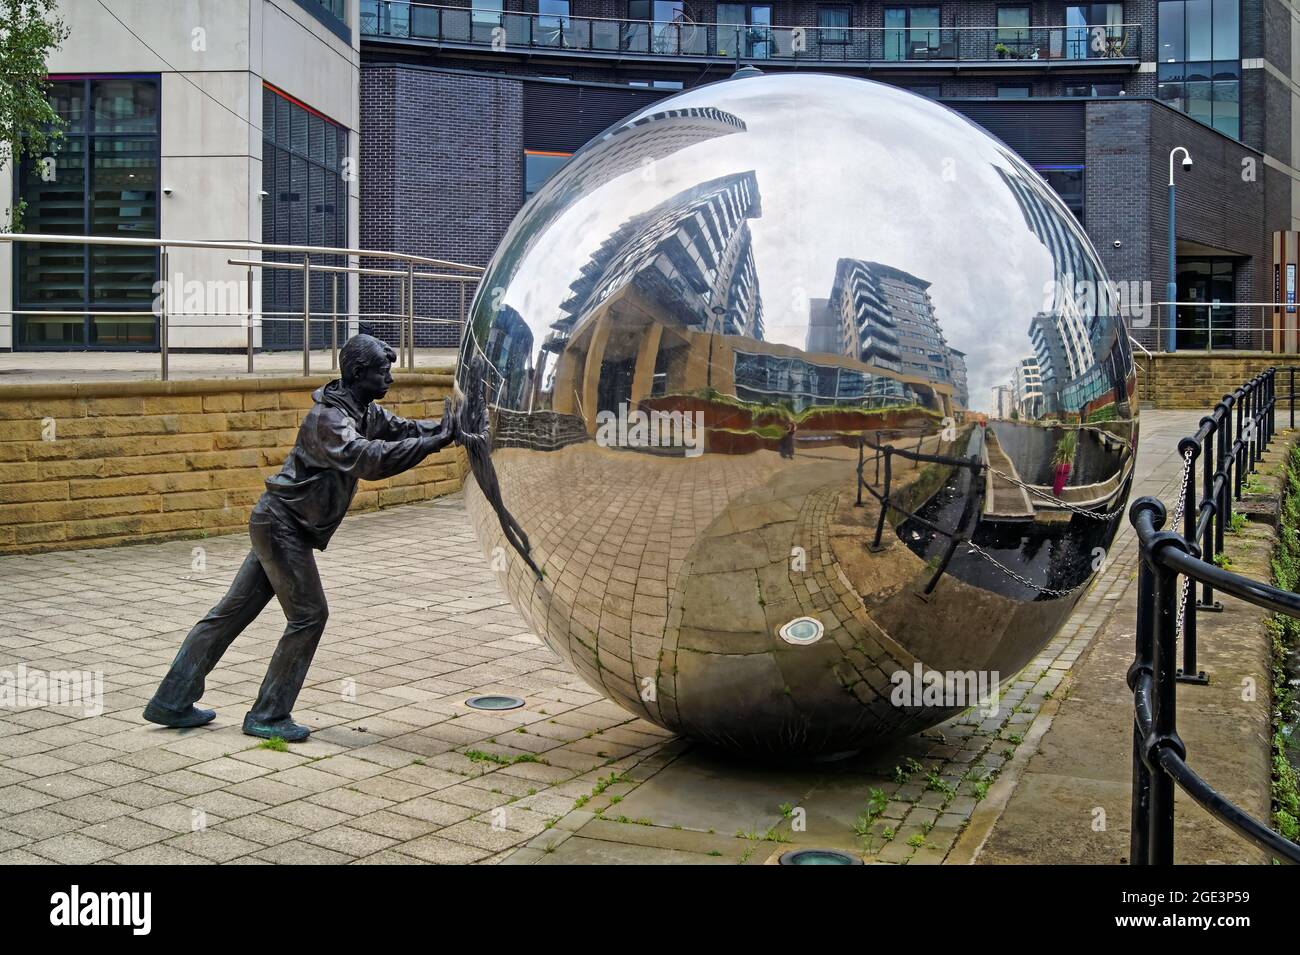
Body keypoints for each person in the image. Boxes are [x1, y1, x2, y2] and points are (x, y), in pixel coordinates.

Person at [143, 334, 470, 742]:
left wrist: (448, 430)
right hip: (282, 526)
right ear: (357, 373)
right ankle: (269, 715)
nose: (389, 376)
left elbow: (402, 429)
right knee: (309, 615)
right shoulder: (329, 421)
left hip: (280, 523)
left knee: (229, 614)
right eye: (382, 370)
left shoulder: (362, 410)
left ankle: (172, 700)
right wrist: (434, 442)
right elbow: (369, 459)